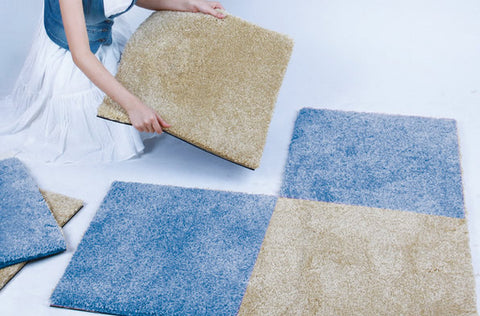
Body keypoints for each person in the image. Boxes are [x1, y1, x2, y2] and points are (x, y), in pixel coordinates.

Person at [0, 0, 225, 163]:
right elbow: (81, 55)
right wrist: (132, 106)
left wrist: (188, 5)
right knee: (93, 132)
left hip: (97, 32)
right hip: (74, 52)